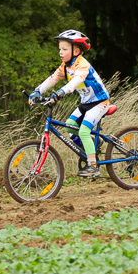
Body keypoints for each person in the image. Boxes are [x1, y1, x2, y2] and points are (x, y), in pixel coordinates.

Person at [29, 29, 110, 178]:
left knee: (83, 131)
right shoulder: (65, 66)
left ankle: (93, 167)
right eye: (60, 49)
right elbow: (53, 78)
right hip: (86, 102)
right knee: (70, 125)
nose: (60, 52)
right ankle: (92, 144)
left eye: (64, 49)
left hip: (100, 102)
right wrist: (37, 91)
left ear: (76, 50)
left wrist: (60, 92)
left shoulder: (82, 65)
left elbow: (76, 81)